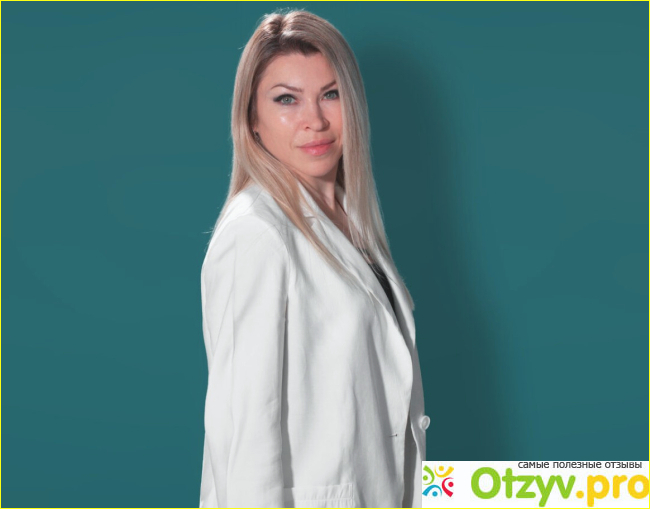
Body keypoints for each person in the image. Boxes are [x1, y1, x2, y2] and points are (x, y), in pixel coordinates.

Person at [199, 8, 429, 508]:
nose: (316, 121)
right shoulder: (257, 233)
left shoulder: (351, 219)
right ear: (252, 119)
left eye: (331, 94)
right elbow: (244, 436)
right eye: (286, 99)